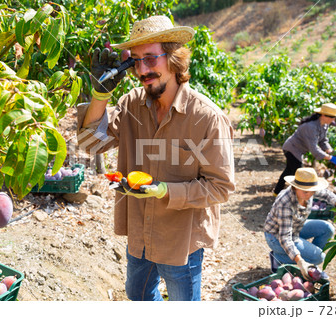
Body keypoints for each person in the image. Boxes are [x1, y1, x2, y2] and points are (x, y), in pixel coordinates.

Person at [76, 15, 235, 301]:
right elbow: (89, 144)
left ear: (174, 58)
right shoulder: (130, 105)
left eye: (151, 58)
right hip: (139, 232)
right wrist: (100, 95)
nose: (142, 69)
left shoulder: (206, 117)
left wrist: (165, 191)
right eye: (135, 60)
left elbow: (221, 187)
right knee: (137, 295)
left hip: (180, 242)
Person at [264, 167, 336, 280]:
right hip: (276, 237)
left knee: (327, 228)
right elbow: (285, 237)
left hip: (296, 228)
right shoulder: (285, 203)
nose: (310, 194)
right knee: (319, 257)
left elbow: (326, 194)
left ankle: (310, 265)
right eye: (306, 192)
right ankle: (278, 257)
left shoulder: (307, 189)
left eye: (312, 191)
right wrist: (300, 262)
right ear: (295, 187)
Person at [273, 103, 336, 195]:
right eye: (332, 117)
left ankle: (277, 192)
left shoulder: (324, 125)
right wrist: (330, 158)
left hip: (297, 150)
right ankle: (294, 197)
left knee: (288, 171)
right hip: (292, 149)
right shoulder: (311, 127)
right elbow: (314, 149)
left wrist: (330, 151)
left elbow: (323, 141)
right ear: (323, 115)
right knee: (299, 176)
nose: (333, 120)